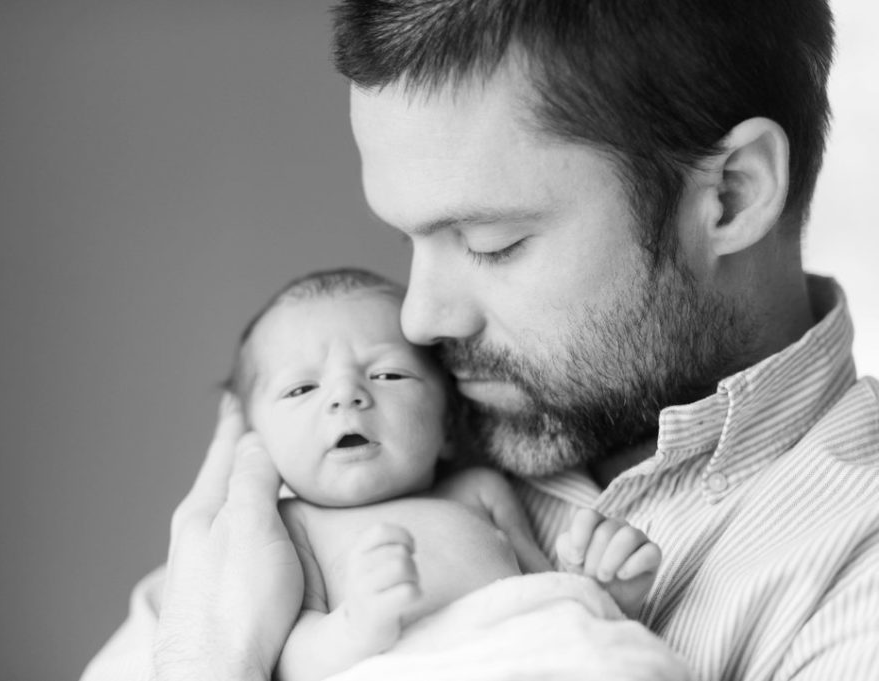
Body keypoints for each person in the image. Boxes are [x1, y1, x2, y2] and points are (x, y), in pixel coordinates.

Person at [83, 1, 879, 680]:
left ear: (732, 196)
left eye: (491, 241)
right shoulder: (377, 453)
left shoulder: (853, 568)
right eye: (408, 242)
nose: (420, 320)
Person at [224, 267, 662, 680]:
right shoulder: (292, 524)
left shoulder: (479, 490)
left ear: (448, 426)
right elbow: (289, 664)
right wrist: (355, 624)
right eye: (301, 389)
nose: (346, 395)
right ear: (254, 443)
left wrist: (599, 589)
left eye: (388, 374)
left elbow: (542, 589)